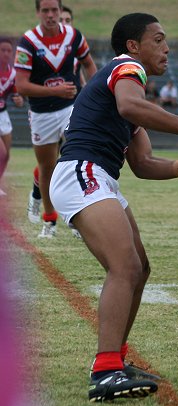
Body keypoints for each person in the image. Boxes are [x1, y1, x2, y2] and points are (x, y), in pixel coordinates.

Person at [49, 12, 178, 402]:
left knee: (141, 268)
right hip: (82, 172)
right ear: (133, 46)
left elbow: (142, 165)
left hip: (99, 177)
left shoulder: (131, 92)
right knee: (126, 267)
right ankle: (105, 370)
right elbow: (132, 108)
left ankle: (114, 359)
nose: (166, 47)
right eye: (158, 39)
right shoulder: (126, 70)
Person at [14, 0, 97, 238]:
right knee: (47, 168)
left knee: (78, 158)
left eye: (54, 10)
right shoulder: (28, 42)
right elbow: (21, 86)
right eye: (45, 11)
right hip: (41, 113)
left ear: (61, 11)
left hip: (72, 107)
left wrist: (95, 93)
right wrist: (55, 91)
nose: (51, 15)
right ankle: (49, 221)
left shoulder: (74, 36)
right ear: (38, 13)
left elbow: (89, 65)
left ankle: (80, 219)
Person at [0, 38, 24, 196]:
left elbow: (19, 98)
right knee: (1, 152)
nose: (6, 54)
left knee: (6, 155)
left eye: (9, 51)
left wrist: (19, 100)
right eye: (2, 50)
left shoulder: (13, 74)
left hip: (3, 115)